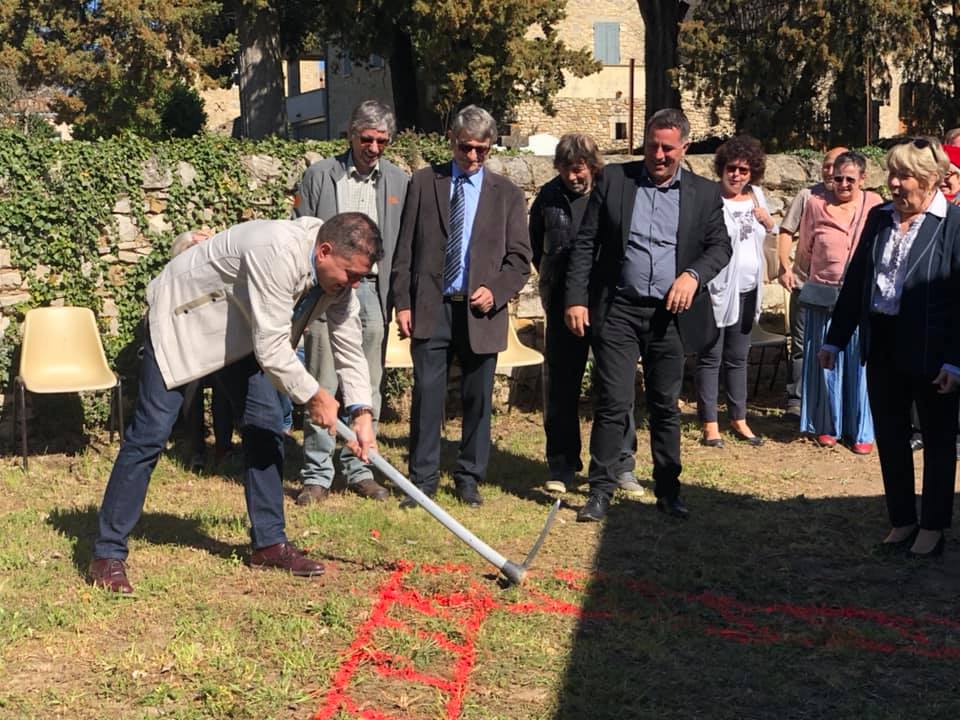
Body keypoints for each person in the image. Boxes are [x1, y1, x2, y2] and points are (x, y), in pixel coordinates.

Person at [87, 213, 380, 594]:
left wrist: (362, 412)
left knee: (265, 426)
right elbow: (274, 348)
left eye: (360, 276)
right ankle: (106, 554)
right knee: (151, 433)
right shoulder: (276, 249)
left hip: (243, 334)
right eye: (349, 274)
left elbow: (348, 342)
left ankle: (269, 544)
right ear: (324, 251)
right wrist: (315, 396)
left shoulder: (338, 280)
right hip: (183, 320)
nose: (353, 284)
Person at [565, 108, 732, 522]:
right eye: (652, 146)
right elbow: (586, 243)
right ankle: (601, 489)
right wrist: (576, 298)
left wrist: (693, 276)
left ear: (684, 148)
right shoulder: (615, 181)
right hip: (619, 308)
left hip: (670, 315)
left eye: (668, 149)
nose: (658, 156)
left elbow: (720, 248)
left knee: (664, 404)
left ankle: (669, 490)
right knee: (612, 402)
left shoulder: (705, 194)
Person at [819, 137, 960, 557]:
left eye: (905, 176)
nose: (895, 184)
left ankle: (933, 525)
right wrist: (835, 337)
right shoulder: (879, 218)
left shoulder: (953, 225)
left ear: (932, 180)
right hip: (882, 343)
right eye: (892, 175)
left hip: (934, 351)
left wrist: (956, 360)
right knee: (891, 437)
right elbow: (858, 281)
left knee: (937, 440)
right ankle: (902, 520)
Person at [391, 104, 531, 508]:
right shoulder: (423, 182)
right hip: (430, 309)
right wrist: (403, 302)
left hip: (480, 313)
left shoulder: (506, 194)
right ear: (451, 140)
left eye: (481, 150)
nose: (472, 157)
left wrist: (497, 291)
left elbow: (520, 260)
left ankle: (468, 478)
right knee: (427, 396)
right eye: (466, 148)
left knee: (477, 400)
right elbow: (405, 250)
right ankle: (422, 481)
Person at [293, 99, 410, 505]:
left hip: (373, 294)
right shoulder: (319, 176)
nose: (374, 148)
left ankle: (361, 467)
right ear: (350, 135)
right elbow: (303, 236)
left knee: (368, 383)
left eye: (383, 141)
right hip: (329, 291)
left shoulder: (399, 182)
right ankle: (317, 474)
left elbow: (403, 247)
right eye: (367, 139)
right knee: (322, 379)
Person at [529, 133, 643, 497]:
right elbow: (537, 248)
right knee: (562, 385)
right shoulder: (548, 197)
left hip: (609, 303)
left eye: (577, 170)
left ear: (592, 166)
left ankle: (621, 464)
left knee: (615, 386)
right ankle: (562, 465)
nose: (572, 177)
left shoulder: (613, 191)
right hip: (562, 303)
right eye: (564, 170)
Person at [795, 151, 882, 453]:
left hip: (861, 297)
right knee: (825, 361)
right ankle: (827, 426)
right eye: (838, 178)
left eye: (850, 179)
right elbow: (805, 249)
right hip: (824, 294)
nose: (843, 184)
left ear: (862, 179)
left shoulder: (874, 205)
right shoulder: (816, 205)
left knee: (859, 362)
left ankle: (861, 430)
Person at [696, 135, 775, 448]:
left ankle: (739, 418)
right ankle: (710, 423)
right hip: (717, 290)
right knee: (711, 356)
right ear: (721, 168)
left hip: (748, 288)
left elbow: (769, 235)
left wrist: (769, 222)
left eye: (744, 170)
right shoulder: (710, 198)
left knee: (739, 356)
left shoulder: (756, 196)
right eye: (732, 168)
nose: (737, 175)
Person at [776, 146, 849, 417]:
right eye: (827, 165)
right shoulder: (807, 195)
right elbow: (786, 231)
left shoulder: (857, 200)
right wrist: (785, 266)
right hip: (806, 284)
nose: (831, 171)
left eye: (837, 166)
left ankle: (832, 402)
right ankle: (797, 400)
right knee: (802, 344)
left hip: (842, 289)